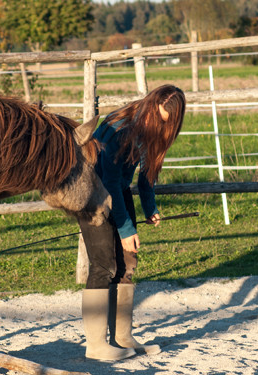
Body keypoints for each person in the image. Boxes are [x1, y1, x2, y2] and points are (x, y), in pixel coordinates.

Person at [79, 84, 186, 361]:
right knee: (104, 265)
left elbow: (146, 173)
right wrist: (126, 229)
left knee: (127, 264)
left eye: (166, 123)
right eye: (159, 117)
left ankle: (122, 337)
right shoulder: (120, 127)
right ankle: (95, 345)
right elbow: (111, 180)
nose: (159, 125)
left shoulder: (151, 128)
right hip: (94, 192)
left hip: (117, 190)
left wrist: (150, 207)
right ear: (151, 104)